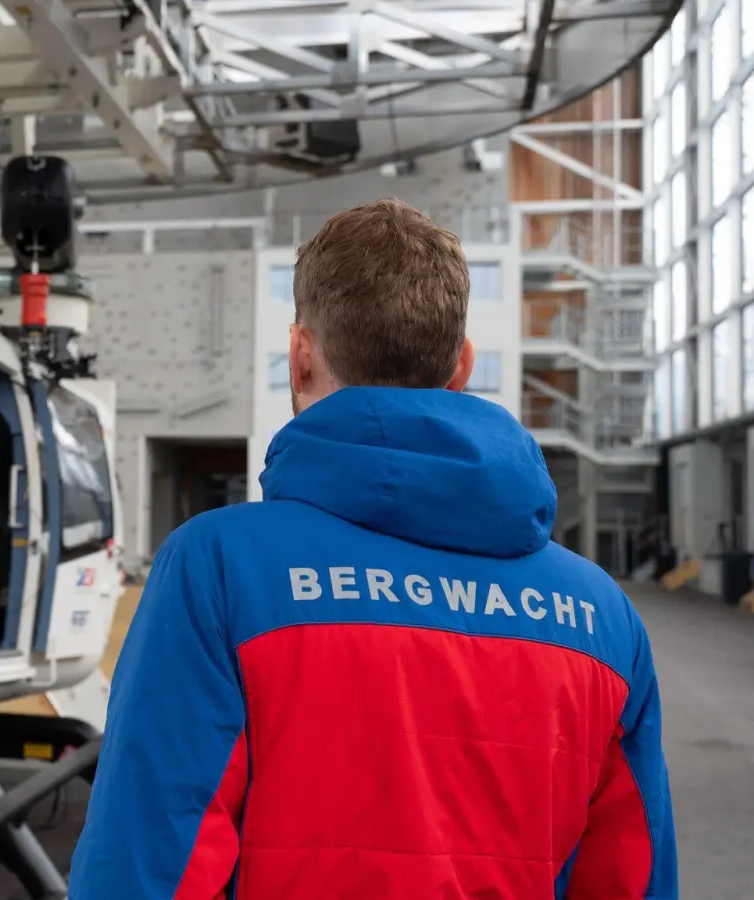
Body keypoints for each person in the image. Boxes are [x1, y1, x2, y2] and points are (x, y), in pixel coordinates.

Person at [68, 199, 677, 899]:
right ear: (461, 367)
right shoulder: (603, 617)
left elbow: (147, 862)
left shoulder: (218, 571)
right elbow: (631, 880)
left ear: (300, 358)